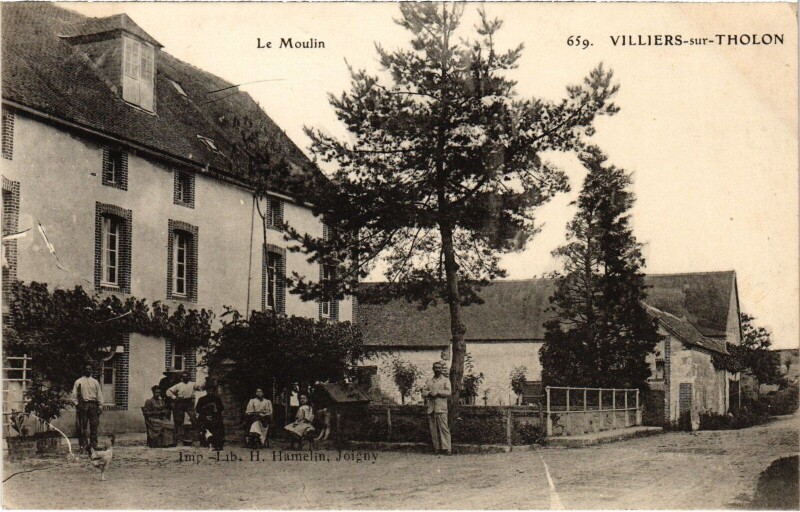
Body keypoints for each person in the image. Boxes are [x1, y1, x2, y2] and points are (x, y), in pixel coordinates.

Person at [422, 361, 452, 455]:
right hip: (431, 408)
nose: (437, 370)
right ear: (433, 369)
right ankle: (437, 448)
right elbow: (423, 391)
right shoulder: (429, 381)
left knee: (444, 429)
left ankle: (447, 448)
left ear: (442, 369)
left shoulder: (445, 380)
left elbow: (448, 392)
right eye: (435, 368)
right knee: (433, 429)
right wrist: (429, 393)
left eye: (439, 368)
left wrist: (438, 393)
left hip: (441, 408)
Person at [72, 363, 103, 450]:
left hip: (93, 405)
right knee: (83, 426)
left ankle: (94, 445)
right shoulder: (78, 382)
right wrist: (78, 405)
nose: (88, 370)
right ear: (84, 370)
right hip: (83, 405)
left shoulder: (95, 382)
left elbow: (99, 394)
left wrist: (100, 405)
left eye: (89, 369)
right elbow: (74, 396)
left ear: (91, 370)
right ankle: (83, 445)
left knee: (94, 426)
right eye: (86, 369)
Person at [166, 371, 202, 446]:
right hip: (180, 403)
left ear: (189, 377)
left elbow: (200, 388)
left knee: (194, 419)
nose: (185, 377)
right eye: (184, 376)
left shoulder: (193, 384)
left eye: (187, 376)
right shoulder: (178, 385)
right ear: (182, 378)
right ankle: (178, 440)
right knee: (178, 421)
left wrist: (199, 388)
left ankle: (196, 439)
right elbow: (168, 391)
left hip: (189, 403)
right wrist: (174, 397)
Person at [195, 381, 225, 451]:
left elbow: (221, 408)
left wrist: (215, 409)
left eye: (212, 390)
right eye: (209, 390)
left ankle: (218, 443)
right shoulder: (202, 399)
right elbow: (198, 409)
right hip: (204, 416)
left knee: (218, 424)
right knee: (203, 423)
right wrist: (206, 416)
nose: (210, 392)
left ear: (214, 391)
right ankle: (205, 441)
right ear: (206, 391)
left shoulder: (217, 399)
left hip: (215, 416)